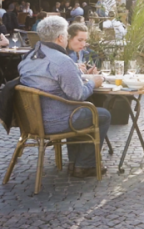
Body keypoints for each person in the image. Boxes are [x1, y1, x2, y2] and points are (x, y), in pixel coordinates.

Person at [19, 16, 109, 178]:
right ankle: (85, 165)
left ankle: (75, 162)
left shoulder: (28, 57)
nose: (67, 39)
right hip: (56, 120)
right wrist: (94, 83)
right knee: (101, 114)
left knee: (83, 112)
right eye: (67, 36)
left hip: (31, 120)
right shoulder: (62, 60)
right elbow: (78, 95)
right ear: (60, 38)